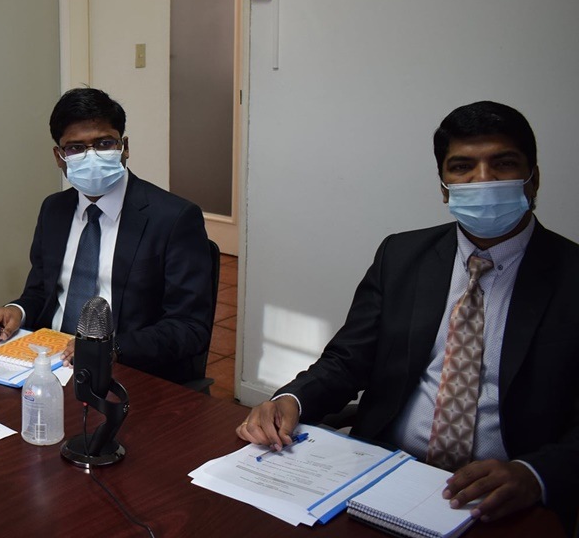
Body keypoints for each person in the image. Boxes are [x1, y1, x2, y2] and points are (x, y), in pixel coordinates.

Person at [237, 101, 578, 531]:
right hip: (383, 471)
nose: (483, 179)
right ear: (444, 187)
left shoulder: (569, 276)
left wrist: (535, 474)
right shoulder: (401, 255)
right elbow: (347, 359)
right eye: (462, 167)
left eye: (503, 163)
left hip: (504, 498)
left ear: (534, 178)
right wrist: (292, 398)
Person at [0, 87, 214, 385]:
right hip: (49, 365)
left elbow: (190, 327)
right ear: (59, 157)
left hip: (129, 372)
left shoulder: (174, 218)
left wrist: (110, 348)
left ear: (124, 147)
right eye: (76, 148)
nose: (91, 156)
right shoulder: (54, 209)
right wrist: (17, 310)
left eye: (104, 143)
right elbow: (41, 292)